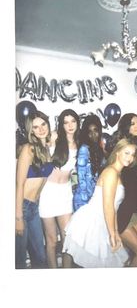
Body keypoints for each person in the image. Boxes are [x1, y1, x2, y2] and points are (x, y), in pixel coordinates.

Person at [62, 139, 137, 268]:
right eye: (127, 153)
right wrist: (112, 234)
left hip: (103, 220)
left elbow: (113, 208)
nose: (130, 157)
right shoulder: (111, 173)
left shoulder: (118, 173)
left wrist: (116, 231)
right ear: (117, 152)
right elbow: (107, 206)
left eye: (133, 154)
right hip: (94, 220)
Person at [39, 109, 80, 268]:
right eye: (66, 122)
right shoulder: (55, 137)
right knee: (51, 240)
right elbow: (39, 153)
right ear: (61, 124)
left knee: (67, 238)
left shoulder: (79, 142)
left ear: (77, 122)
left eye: (73, 121)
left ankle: (66, 272)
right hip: (48, 192)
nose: (70, 125)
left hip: (65, 193)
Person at [15, 111, 53, 269]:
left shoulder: (46, 149)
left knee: (40, 256)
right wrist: (18, 218)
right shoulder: (28, 149)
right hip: (21, 207)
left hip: (34, 208)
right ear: (31, 131)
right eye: (35, 127)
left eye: (43, 124)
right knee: (19, 259)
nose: (41, 129)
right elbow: (19, 184)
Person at [73, 114, 105, 212]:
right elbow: (81, 178)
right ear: (86, 134)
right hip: (84, 200)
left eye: (95, 130)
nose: (93, 134)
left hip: (94, 198)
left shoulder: (98, 149)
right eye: (89, 132)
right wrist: (87, 201)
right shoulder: (84, 149)